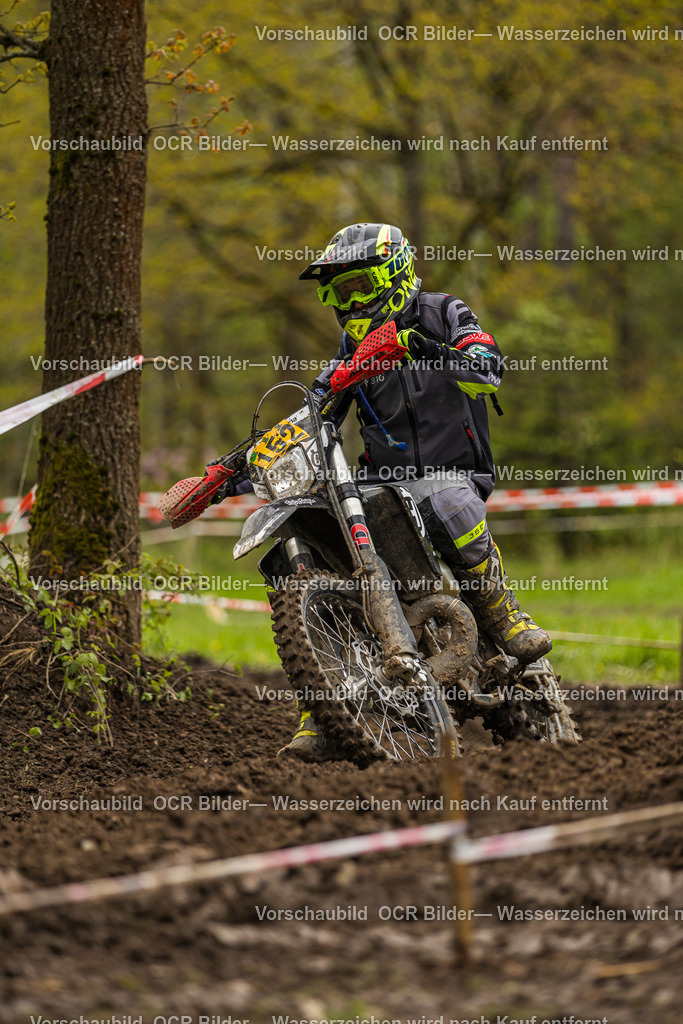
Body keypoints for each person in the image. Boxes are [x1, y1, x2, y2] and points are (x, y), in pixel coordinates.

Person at [215, 222, 552, 760]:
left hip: (452, 471)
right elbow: (308, 419)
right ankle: (322, 698)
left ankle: (499, 611)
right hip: (383, 484)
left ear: (392, 275)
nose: (348, 303)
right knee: (295, 537)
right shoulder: (349, 353)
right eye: (338, 292)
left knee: (442, 494)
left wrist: (417, 345)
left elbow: (487, 370)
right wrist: (226, 473)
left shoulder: (444, 312)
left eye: (357, 287)